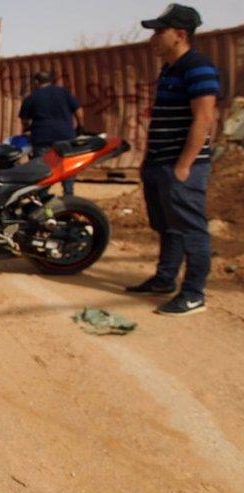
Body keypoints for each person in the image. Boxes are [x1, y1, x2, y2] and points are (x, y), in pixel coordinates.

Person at [125, 4, 219, 316]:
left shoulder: (198, 67)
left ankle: (193, 293)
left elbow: (204, 118)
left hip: (181, 166)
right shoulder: (169, 69)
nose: (153, 38)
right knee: (168, 226)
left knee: (191, 228)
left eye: (159, 32)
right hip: (159, 162)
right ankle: (165, 279)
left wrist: (184, 166)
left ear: (180, 35)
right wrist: (149, 161)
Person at [19, 71, 84, 195]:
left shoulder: (32, 97)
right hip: (65, 136)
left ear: (36, 82)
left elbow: (25, 120)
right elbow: (78, 110)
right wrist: (81, 127)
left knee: (43, 169)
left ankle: (43, 197)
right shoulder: (63, 92)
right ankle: (68, 194)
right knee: (66, 165)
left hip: (42, 138)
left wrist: (27, 130)